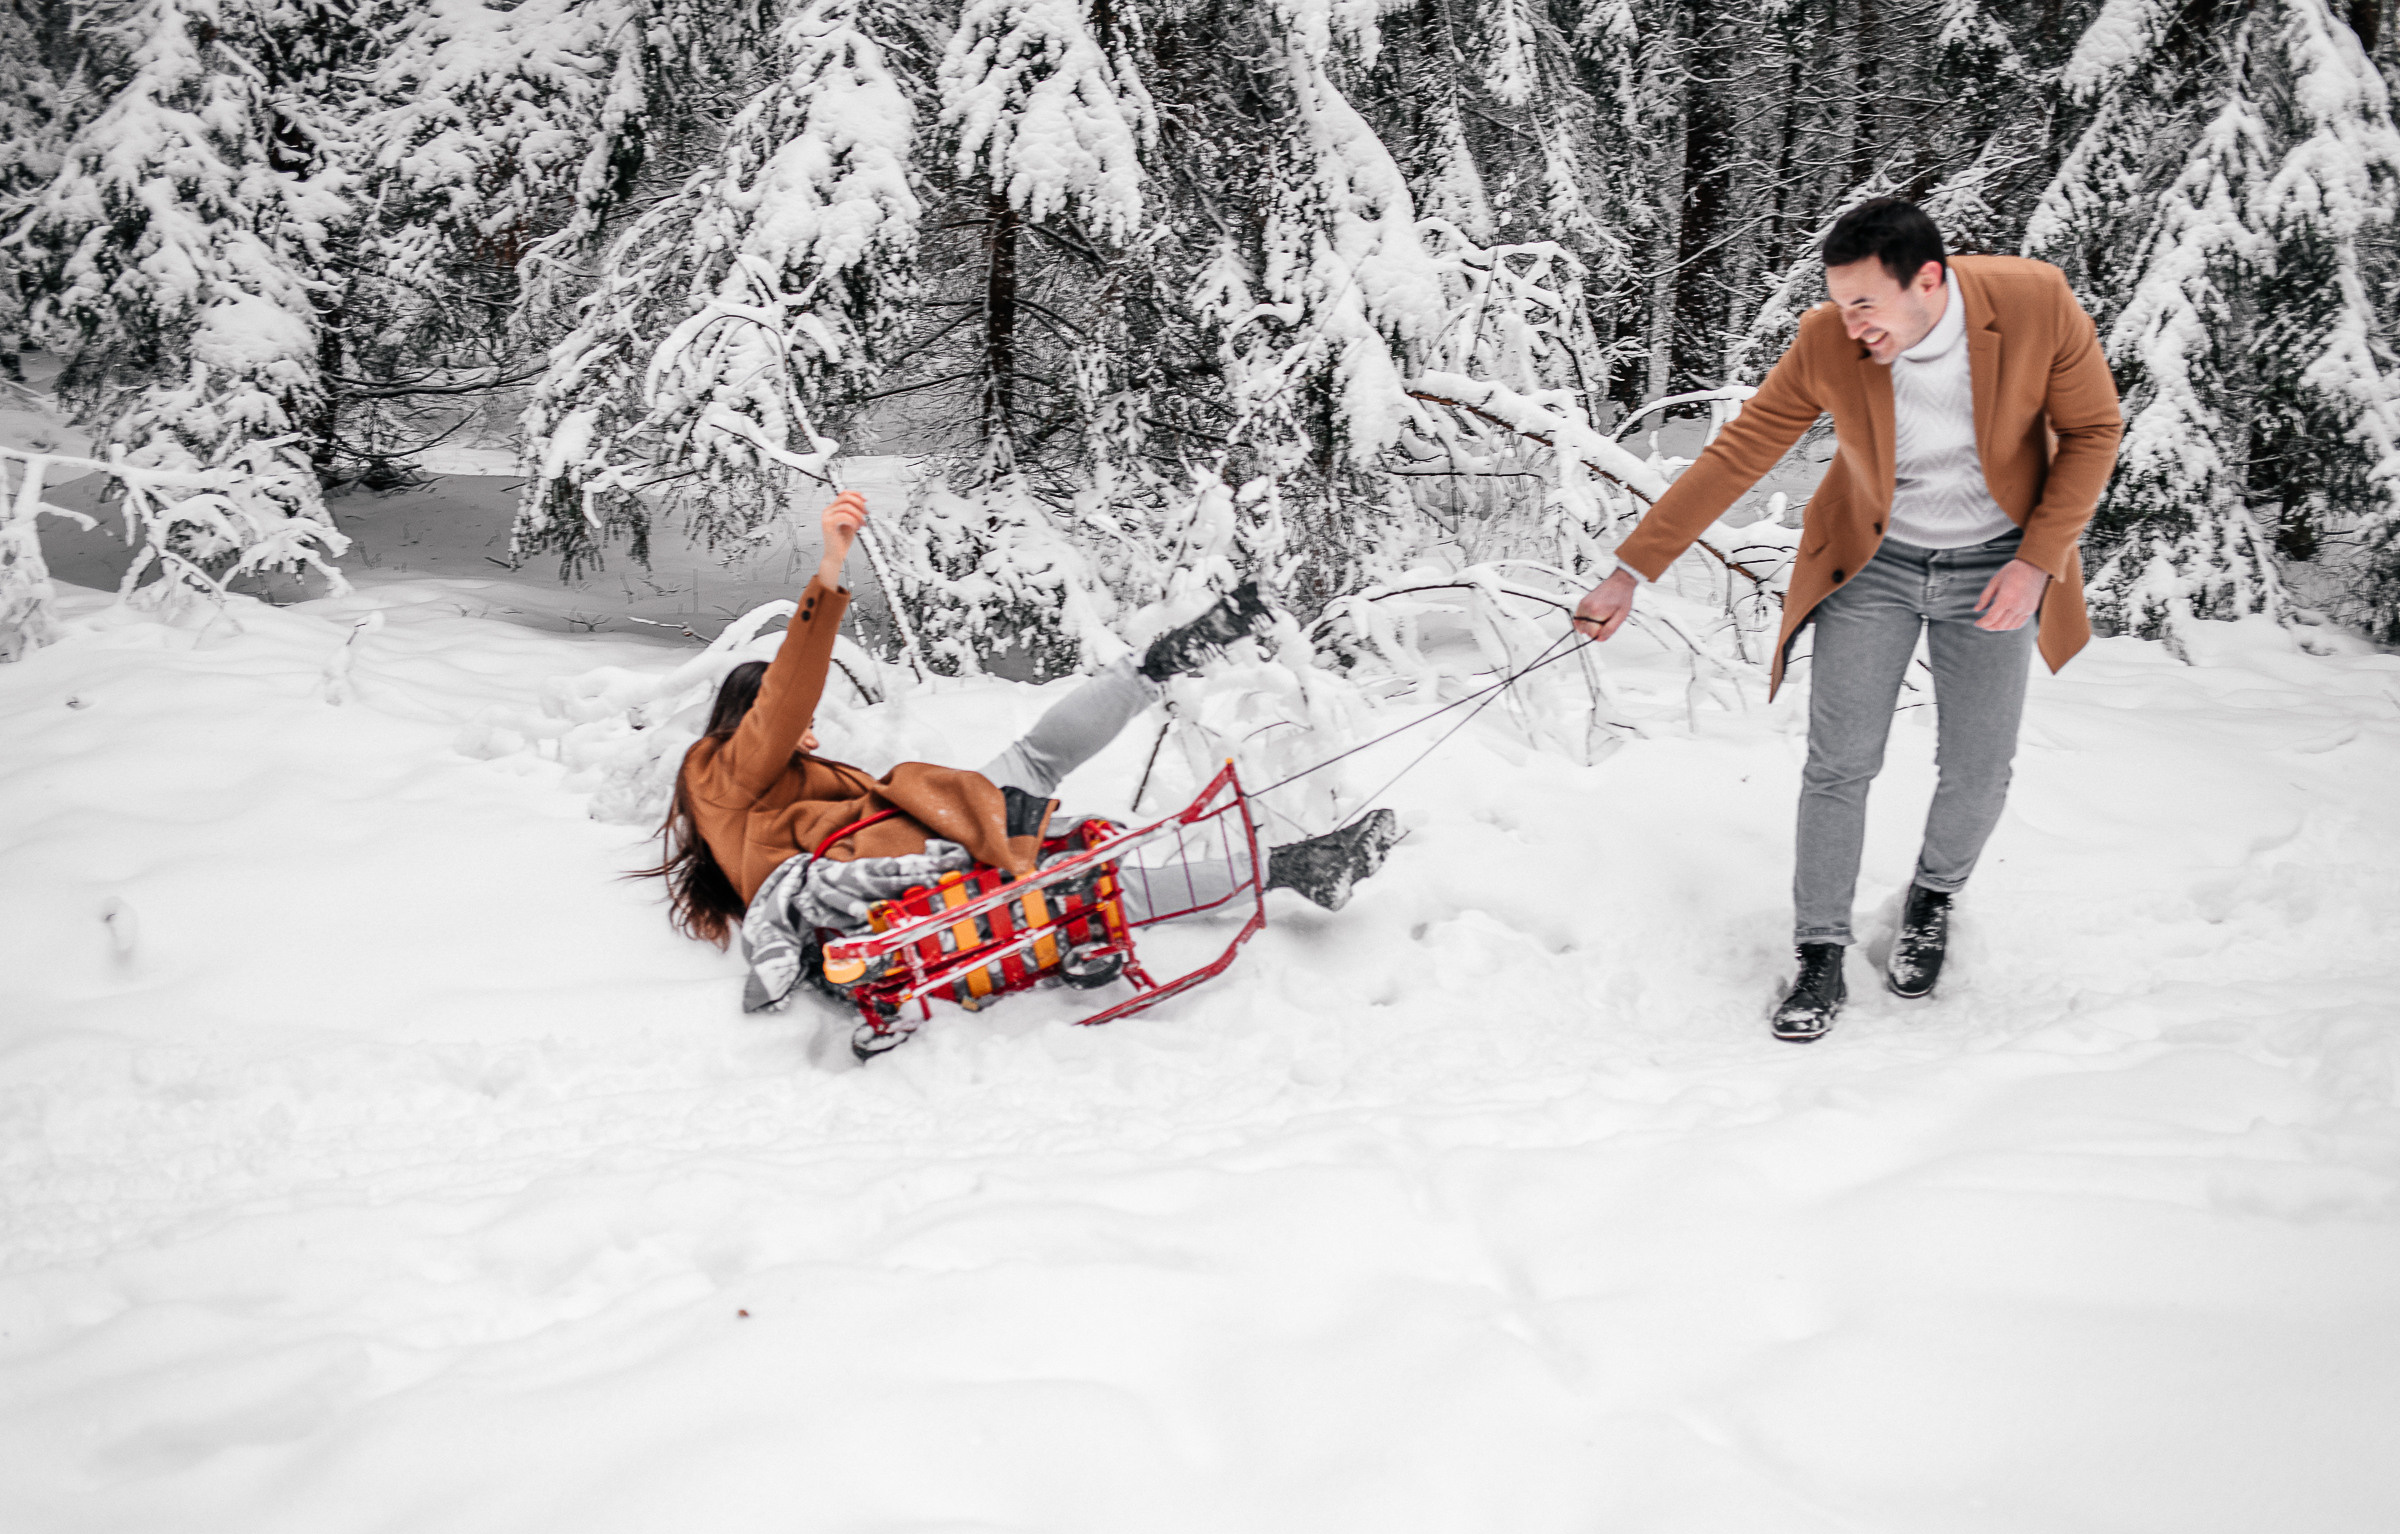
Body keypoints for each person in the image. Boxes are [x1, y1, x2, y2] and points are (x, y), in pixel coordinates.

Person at [1571, 198, 2122, 1042]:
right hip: (1876, 564)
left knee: (1980, 768)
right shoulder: (1830, 339)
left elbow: (2092, 431)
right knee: (1839, 764)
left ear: (1928, 281)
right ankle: (1821, 950)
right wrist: (1631, 570)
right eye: (1839, 302)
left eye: (1866, 304)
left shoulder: (2034, 303)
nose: (1851, 323)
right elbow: (1740, 451)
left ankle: (1932, 898)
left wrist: (2036, 559)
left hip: (1999, 566)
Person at [644, 490, 1400, 1010]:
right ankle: (1163, 667)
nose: (807, 724)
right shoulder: (718, 769)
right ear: (743, 716)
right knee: (1048, 782)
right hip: (909, 849)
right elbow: (785, 703)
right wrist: (830, 571)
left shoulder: (766, 794)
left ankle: (1297, 865)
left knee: (1097, 874)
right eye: (785, 716)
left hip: (914, 841)